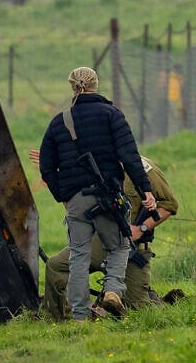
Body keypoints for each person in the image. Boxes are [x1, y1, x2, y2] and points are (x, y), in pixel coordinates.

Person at [39, 67, 157, 322]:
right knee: (119, 246)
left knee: (78, 255)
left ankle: (80, 317)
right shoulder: (111, 115)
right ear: (96, 84)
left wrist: (63, 194)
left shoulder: (59, 121)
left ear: (72, 87)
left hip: (75, 200)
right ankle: (113, 291)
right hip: (107, 196)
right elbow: (129, 156)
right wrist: (145, 189)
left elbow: (46, 166)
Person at [30, 150, 178, 320]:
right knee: (56, 266)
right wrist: (54, 175)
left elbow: (169, 204)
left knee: (139, 309)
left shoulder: (143, 168)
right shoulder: (90, 166)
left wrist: (141, 229)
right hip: (101, 241)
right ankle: (53, 317)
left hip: (133, 248)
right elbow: (74, 206)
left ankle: (153, 299)